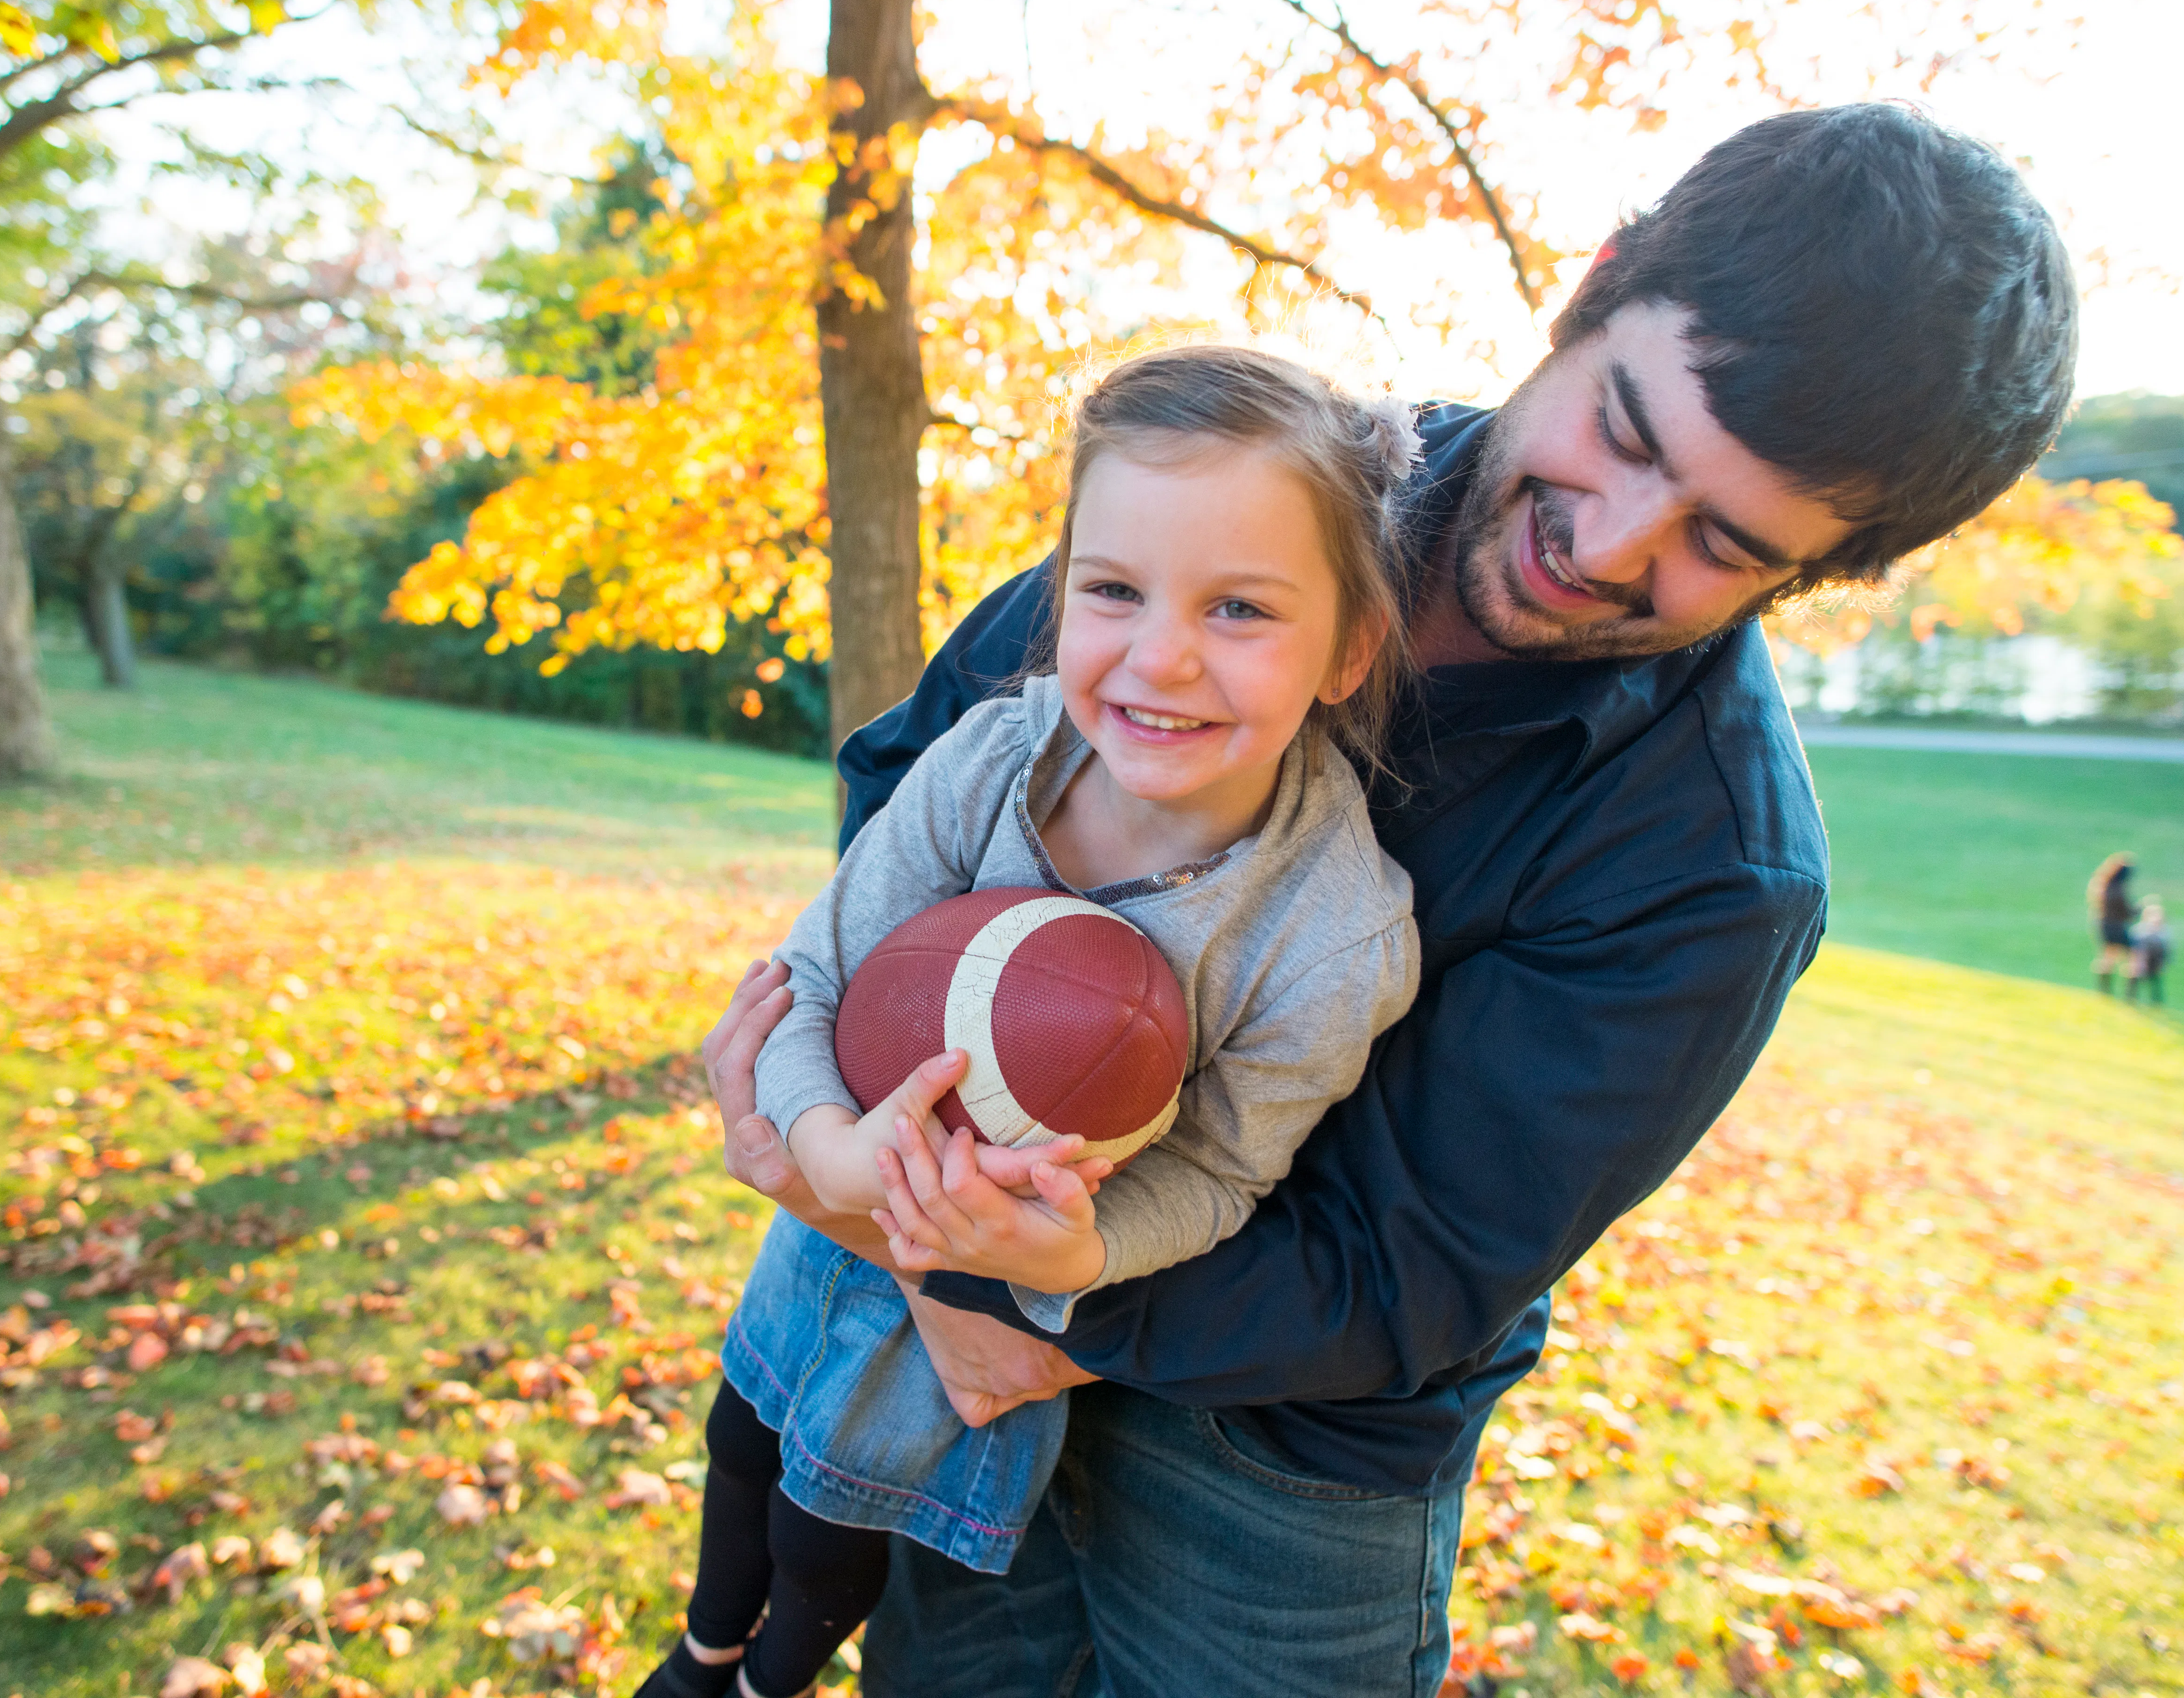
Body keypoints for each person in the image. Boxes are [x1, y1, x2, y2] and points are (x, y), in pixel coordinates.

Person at [702, 102, 2079, 1697]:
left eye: (1719, 539)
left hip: (1282, 1467)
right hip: (951, 1319)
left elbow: (1401, 1265)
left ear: (1813, 575)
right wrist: (871, 1147)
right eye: (1625, 431)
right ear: (1594, 284)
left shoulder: (1713, 873)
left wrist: (1012, 1282)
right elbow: (932, 772)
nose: (1605, 544)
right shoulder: (1254, 472)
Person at [637, 347, 1425, 1698]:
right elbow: (811, 978)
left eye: (1240, 607)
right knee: (745, 1435)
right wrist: (828, 1154)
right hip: (839, 1206)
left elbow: (1222, 1170)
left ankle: (766, 1680)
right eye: (1112, 590)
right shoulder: (999, 757)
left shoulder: (1333, 935)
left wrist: (1081, 1248)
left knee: (839, 1519)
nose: (1160, 655)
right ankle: (699, 1656)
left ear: (1349, 649)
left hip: (1004, 1292)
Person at [2090, 852, 2137, 995]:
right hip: (2117, 927)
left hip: (2104, 926)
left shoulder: (2105, 887)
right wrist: (2140, 908)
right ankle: (2130, 994)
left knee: (2108, 958)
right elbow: (2127, 913)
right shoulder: (2119, 891)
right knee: (2133, 959)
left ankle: (2104, 990)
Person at [2129, 895, 2172, 1006]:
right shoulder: (2140, 931)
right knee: (2135, 979)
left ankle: (2157, 1004)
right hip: (2141, 960)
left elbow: (2167, 950)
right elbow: (2134, 948)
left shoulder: (2164, 932)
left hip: (2155, 962)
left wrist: (2164, 963)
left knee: (2155, 982)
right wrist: (2136, 961)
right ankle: (2130, 1000)